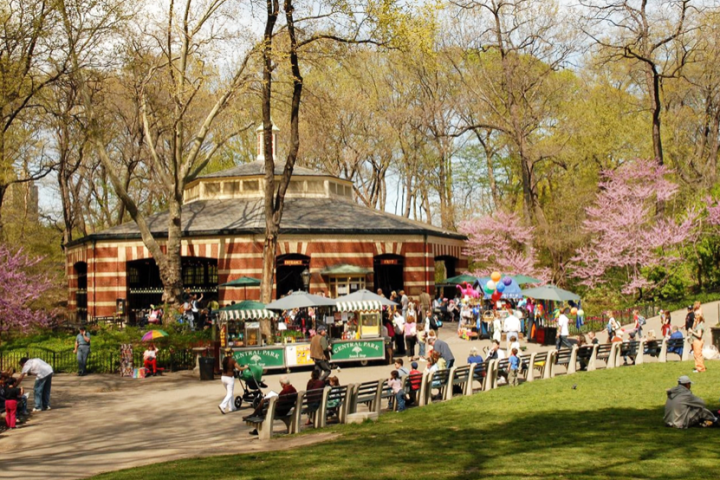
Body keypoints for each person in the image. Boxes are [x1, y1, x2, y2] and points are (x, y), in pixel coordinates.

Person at [219, 348, 246, 414]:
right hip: (229, 378)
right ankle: (222, 405)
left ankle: (232, 407)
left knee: (229, 392)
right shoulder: (232, 360)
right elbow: (239, 368)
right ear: (231, 353)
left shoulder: (224, 360)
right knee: (230, 393)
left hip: (223, 377)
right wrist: (245, 367)